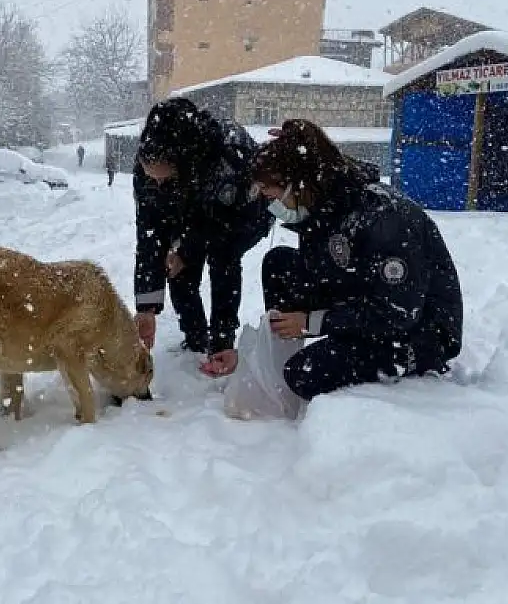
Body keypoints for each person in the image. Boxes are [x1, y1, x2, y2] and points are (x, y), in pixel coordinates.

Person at [250, 119, 463, 401]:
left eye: (270, 194)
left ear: (297, 184)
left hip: (415, 331)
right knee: (279, 263)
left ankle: (374, 361)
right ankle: (292, 349)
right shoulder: (324, 203)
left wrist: (314, 321)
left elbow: (398, 313)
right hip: (363, 298)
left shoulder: (384, 219)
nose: (270, 204)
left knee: (304, 373)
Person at [132, 98, 274, 376]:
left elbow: (226, 245)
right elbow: (150, 234)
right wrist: (146, 307)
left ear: (183, 164)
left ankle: (220, 343)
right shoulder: (149, 166)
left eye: (164, 178)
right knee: (178, 270)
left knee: (221, 261)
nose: (155, 183)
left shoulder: (229, 161)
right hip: (191, 208)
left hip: (242, 215)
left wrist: (188, 249)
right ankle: (195, 337)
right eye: (151, 178)